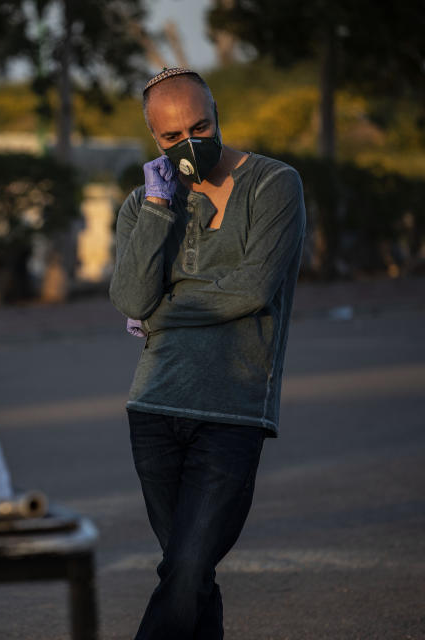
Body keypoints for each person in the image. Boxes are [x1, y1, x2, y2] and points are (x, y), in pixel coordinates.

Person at [109, 67, 306, 639]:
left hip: (233, 411)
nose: (189, 144)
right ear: (155, 140)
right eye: (172, 138)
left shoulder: (274, 184)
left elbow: (250, 290)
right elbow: (127, 295)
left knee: (189, 566)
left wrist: (161, 314)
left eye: (200, 126)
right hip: (154, 405)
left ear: (217, 116)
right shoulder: (144, 204)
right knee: (187, 576)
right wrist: (156, 207)